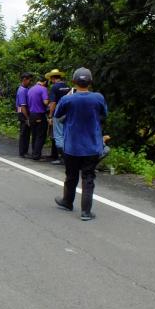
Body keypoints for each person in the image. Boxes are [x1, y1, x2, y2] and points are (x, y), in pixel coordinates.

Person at [54, 67, 108, 221]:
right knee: (88, 177)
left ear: (74, 82)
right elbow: (104, 114)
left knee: (71, 175)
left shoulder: (67, 99)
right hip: (92, 145)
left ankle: (67, 202)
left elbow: (57, 115)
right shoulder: (98, 97)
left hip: (72, 146)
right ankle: (86, 212)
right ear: (90, 82)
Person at [45, 69, 71, 165]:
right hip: (68, 114)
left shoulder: (54, 87)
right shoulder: (68, 87)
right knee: (66, 136)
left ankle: (63, 158)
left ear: (52, 78)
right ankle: (69, 155)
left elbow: (53, 103)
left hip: (58, 114)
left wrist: (50, 116)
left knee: (58, 137)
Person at [27, 75, 49, 160]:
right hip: (39, 114)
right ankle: (36, 155)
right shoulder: (43, 89)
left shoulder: (30, 89)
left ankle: (34, 153)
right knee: (41, 136)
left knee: (34, 135)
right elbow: (46, 102)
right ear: (45, 82)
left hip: (31, 114)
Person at [16, 73, 32, 157]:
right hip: (23, 113)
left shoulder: (26, 89)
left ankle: (25, 151)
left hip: (24, 112)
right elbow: (23, 106)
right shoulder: (22, 90)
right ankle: (22, 152)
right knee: (24, 133)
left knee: (26, 133)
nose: (30, 82)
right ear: (24, 80)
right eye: (29, 80)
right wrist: (27, 118)